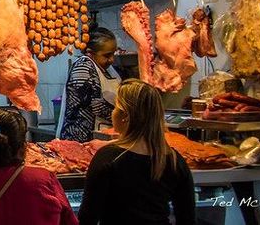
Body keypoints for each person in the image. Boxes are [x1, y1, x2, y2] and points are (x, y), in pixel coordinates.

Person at [78, 79, 195, 225]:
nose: (113, 113)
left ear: (125, 116)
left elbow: (87, 218)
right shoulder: (174, 160)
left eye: (115, 107)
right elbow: (188, 218)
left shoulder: (108, 157)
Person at [58, 26, 121, 142]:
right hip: (81, 139)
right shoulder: (83, 66)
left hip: (102, 136)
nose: (112, 59)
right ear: (90, 53)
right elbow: (95, 104)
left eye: (113, 53)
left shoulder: (108, 69)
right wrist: (125, 119)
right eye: (107, 55)